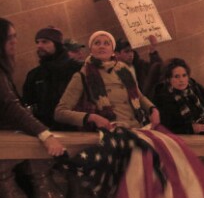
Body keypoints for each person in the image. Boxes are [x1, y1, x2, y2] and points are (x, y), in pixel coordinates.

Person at [55, 31, 161, 130]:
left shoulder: (124, 70)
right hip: (110, 133)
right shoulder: (82, 75)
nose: (102, 46)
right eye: (97, 43)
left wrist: (152, 109)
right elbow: (60, 112)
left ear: (112, 50)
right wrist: (92, 117)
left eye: (106, 43)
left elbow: (139, 97)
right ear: (91, 49)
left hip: (137, 128)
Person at [0, 18, 66, 156]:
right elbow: (11, 106)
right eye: (9, 38)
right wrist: (45, 134)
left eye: (15, 36)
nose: (15, 41)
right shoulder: (34, 75)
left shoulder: (73, 68)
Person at [22, 26, 81, 130]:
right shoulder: (34, 75)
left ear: (57, 45)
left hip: (78, 128)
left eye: (45, 42)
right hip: (49, 132)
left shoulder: (76, 68)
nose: (39, 45)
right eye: (37, 42)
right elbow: (28, 105)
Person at [153, 58, 204, 135]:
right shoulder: (163, 97)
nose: (181, 80)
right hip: (184, 139)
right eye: (176, 76)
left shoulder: (192, 85)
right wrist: (191, 129)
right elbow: (167, 128)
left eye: (184, 75)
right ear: (168, 79)